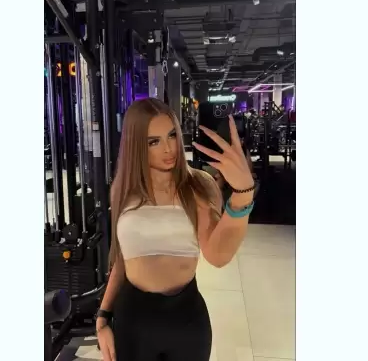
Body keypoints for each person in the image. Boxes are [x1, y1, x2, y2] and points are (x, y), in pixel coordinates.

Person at [96, 98, 255, 361]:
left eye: (172, 135)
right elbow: (124, 259)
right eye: (153, 141)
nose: (169, 148)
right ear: (136, 145)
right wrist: (103, 316)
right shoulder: (123, 190)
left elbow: (218, 255)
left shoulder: (199, 186)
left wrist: (242, 195)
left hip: (186, 319)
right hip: (133, 320)